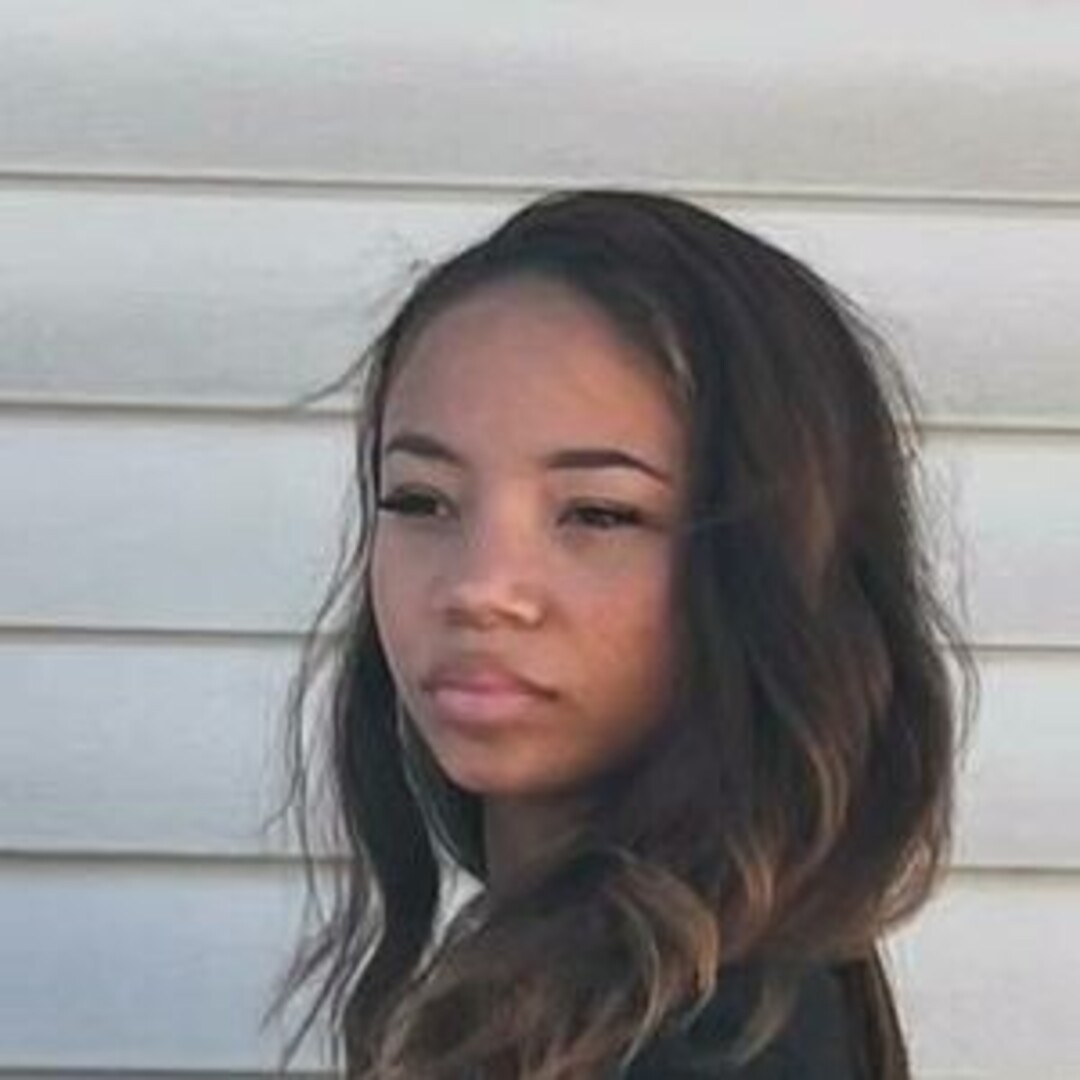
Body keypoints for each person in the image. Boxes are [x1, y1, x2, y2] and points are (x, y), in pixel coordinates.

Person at [267, 190, 977, 1078]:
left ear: (770, 570)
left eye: (599, 513)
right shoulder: (570, 991)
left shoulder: (720, 1037)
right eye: (421, 500)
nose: (479, 589)